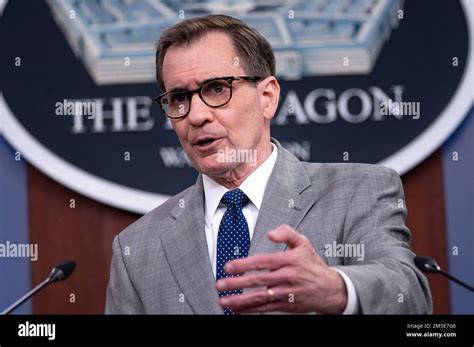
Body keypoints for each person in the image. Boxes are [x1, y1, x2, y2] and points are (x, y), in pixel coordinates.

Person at [105, 14, 432, 315]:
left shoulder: (358, 191)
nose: (197, 115)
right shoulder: (137, 248)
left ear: (267, 97)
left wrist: (336, 289)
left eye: (217, 88)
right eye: (179, 98)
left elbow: (410, 297)